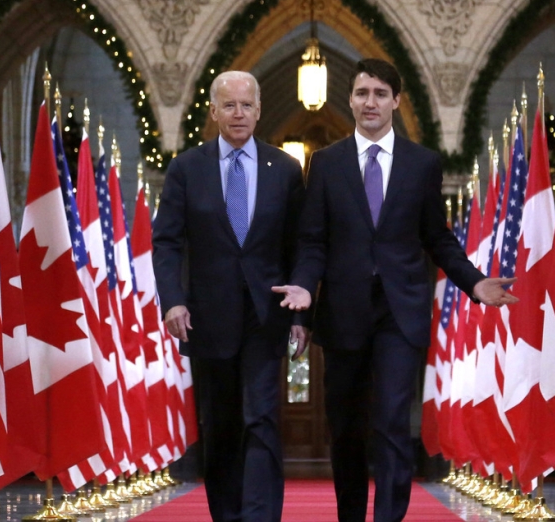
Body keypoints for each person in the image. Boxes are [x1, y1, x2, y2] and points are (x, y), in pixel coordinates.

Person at [273, 58, 517, 522]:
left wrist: (473, 281)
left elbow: (436, 237)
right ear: (351, 99)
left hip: (399, 315)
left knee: (389, 424)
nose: (370, 102)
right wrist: (304, 292)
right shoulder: (325, 164)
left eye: (380, 94)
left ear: (396, 102)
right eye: (363, 93)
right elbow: (312, 241)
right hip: (343, 313)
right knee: (345, 430)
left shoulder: (421, 163)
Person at [153, 71, 308, 522]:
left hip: (266, 315)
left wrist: (302, 313)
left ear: (259, 111)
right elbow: (166, 242)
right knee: (220, 426)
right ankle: (227, 515)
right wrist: (173, 300)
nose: (238, 113)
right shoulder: (186, 168)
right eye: (229, 105)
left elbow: (299, 245)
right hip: (206, 317)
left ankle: (260, 517)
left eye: (246, 105)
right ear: (214, 111)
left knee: (261, 417)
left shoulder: (285, 170)